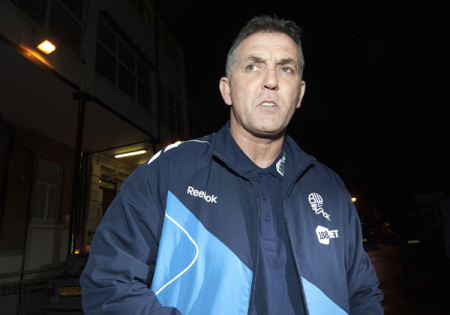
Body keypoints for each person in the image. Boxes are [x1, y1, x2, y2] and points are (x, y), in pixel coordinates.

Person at [80, 15, 384, 314]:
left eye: (286, 69)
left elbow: (362, 295)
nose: (271, 81)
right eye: (253, 66)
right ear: (227, 89)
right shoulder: (168, 171)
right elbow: (109, 285)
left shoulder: (330, 188)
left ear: (299, 94)